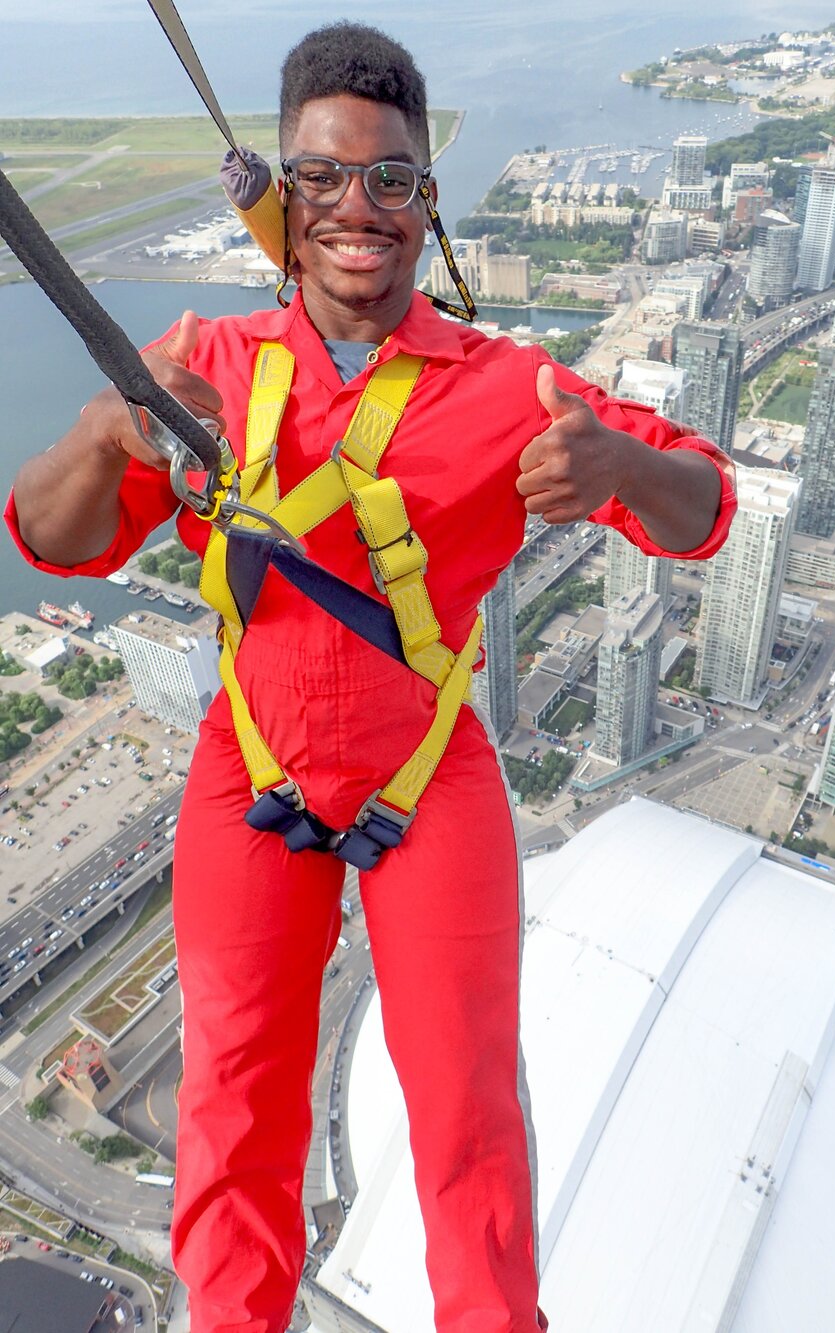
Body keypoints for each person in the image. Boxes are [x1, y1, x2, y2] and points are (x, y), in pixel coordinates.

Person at [6, 22, 736, 1333]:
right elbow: (56, 535)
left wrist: (618, 470)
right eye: (325, 179)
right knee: (232, 1095)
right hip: (256, 758)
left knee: (465, 1102)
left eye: (391, 180)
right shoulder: (204, 376)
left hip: (423, 766)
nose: (359, 207)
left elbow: (701, 508)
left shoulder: (511, 386)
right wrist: (108, 422)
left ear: (425, 198)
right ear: (286, 194)